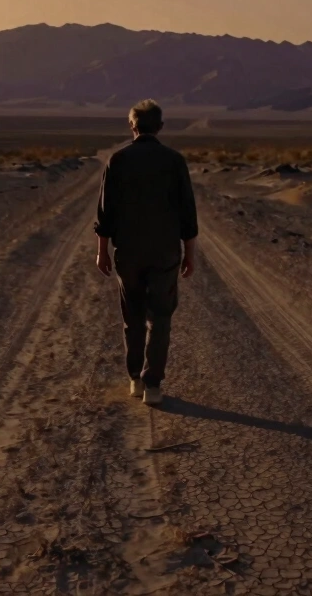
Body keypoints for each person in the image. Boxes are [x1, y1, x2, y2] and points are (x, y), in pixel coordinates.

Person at [94, 99, 197, 406]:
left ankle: (135, 379)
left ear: (132, 125)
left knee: (133, 316)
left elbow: (105, 212)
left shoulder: (118, 160)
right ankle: (153, 385)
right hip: (165, 251)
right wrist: (189, 254)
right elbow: (187, 213)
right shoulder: (174, 161)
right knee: (161, 317)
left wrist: (102, 251)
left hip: (129, 251)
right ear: (160, 127)